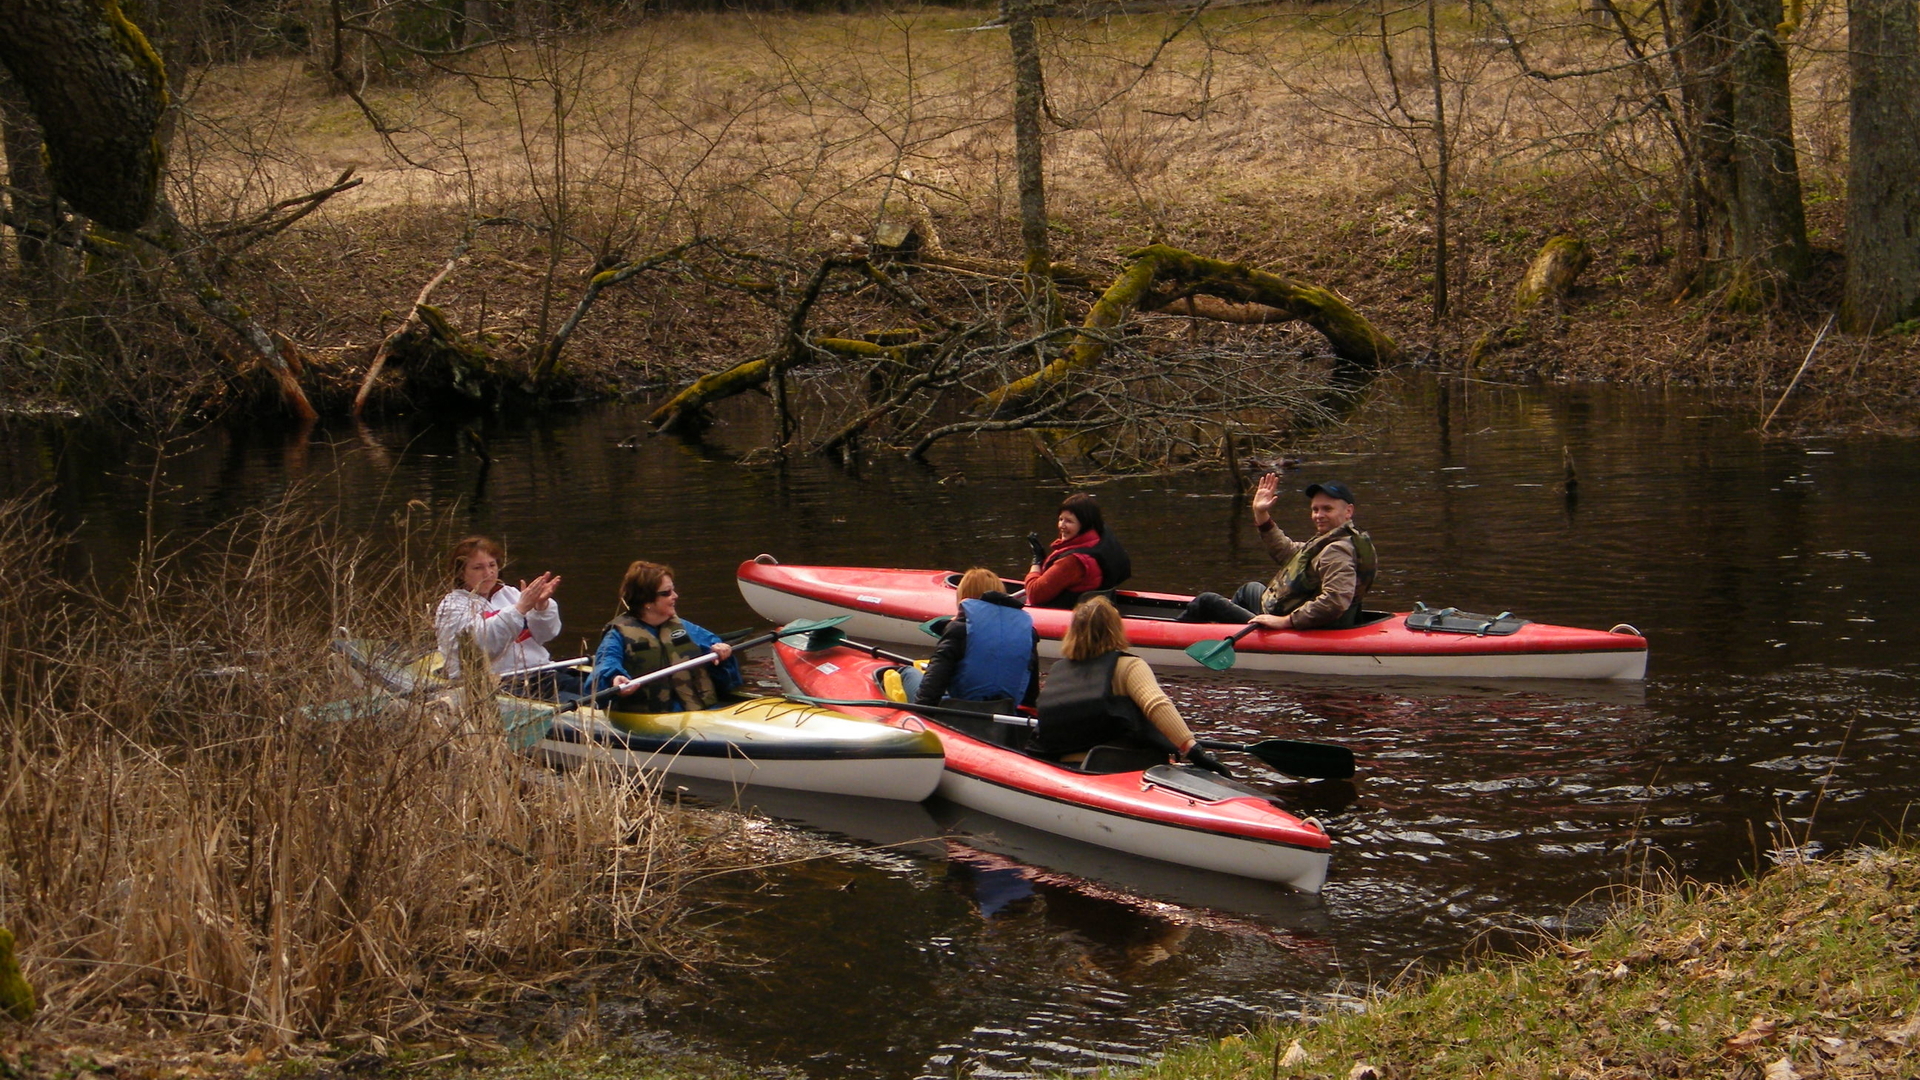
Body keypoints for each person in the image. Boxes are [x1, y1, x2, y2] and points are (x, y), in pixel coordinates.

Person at [1035, 597, 1231, 776]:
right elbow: (1157, 705)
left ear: (1073, 632)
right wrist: (1192, 749)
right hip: (1120, 765)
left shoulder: (1058, 672)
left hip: (1066, 765)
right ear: (1115, 630)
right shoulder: (1129, 666)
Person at [1177, 475, 1377, 630]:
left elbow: (1335, 601)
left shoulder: (1338, 551)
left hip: (1308, 627)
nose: (1319, 515)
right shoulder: (1334, 540)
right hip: (1299, 615)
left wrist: (1285, 621)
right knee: (1250, 590)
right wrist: (1261, 515)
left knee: (1207, 600)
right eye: (1315, 509)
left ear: (1348, 511)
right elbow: (1289, 554)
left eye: (1327, 509)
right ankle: (1232, 634)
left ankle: (1177, 636)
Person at [435, 535, 576, 697]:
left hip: (540, 672)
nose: (488, 573)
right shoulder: (452, 607)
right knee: (577, 701)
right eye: (478, 568)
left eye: (492, 565)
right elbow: (480, 649)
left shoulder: (510, 594)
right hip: (499, 683)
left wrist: (541, 608)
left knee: (596, 690)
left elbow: (545, 635)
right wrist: (519, 609)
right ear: (461, 573)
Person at [589, 560, 740, 712]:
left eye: (673, 590)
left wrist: (722, 653)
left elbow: (716, 648)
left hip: (700, 710)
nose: (675, 596)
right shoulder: (617, 634)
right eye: (667, 593)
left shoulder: (685, 628)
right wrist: (614, 679)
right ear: (646, 600)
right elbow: (605, 665)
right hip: (651, 718)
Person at [903, 567, 1040, 710]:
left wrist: (921, 716)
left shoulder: (960, 628)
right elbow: (1031, 695)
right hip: (1004, 712)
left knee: (907, 672)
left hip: (963, 713)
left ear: (963, 597)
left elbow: (932, 688)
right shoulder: (1028, 632)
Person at [1022, 493, 1132, 609]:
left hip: (1073, 616)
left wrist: (1037, 562)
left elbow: (1034, 594)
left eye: (1069, 521)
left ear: (1084, 525)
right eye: (1060, 519)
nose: (1061, 526)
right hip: (1099, 607)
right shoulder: (1099, 538)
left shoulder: (1072, 561)